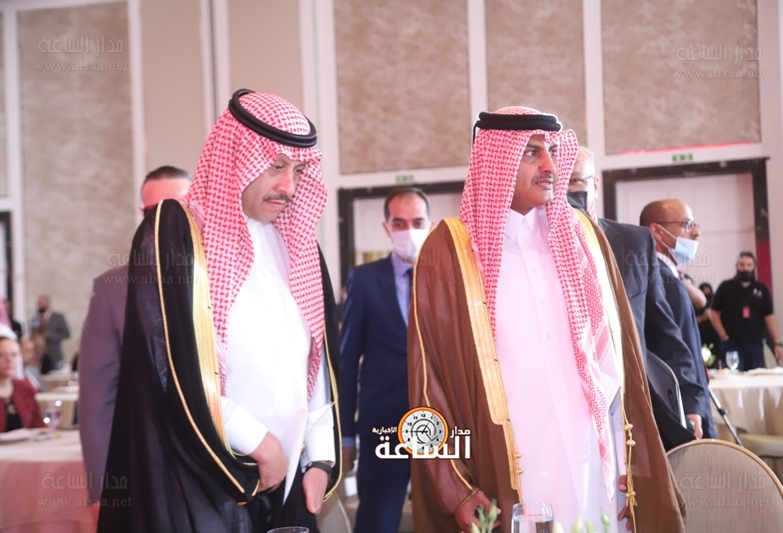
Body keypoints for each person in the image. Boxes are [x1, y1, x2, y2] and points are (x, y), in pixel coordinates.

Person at [408, 108, 684, 532]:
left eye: (552, 151)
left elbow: (619, 365)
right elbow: (429, 385)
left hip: (595, 466)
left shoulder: (584, 238)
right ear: (496, 160)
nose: (551, 167)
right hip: (508, 470)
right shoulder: (449, 251)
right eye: (532, 153)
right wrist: (455, 488)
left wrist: (632, 459)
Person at [98, 90, 342, 533]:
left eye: (299, 170)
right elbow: (167, 364)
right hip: (203, 483)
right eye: (276, 167)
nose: (289, 187)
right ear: (237, 158)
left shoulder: (300, 244)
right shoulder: (176, 235)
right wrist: (259, 442)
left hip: (291, 481)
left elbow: (315, 362)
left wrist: (321, 458)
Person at [567, 147, 705, 442]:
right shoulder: (540, 250)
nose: (568, 193)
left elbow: (663, 331)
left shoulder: (633, 242)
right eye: (561, 183)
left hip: (632, 404)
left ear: (595, 185)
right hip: (571, 407)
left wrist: (690, 401)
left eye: (576, 181)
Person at [79, 165, 193, 503]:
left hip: (235, 468)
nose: (165, 221)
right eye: (153, 212)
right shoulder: (113, 291)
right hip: (151, 475)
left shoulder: (233, 277)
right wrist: (103, 491)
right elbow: (97, 399)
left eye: (178, 208)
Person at [340, 186, 433, 533]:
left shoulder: (449, 277)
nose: (409, 230)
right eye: (399, 223)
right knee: (377, 520)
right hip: (382, 426)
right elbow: (347, 361)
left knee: (441, 520)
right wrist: (346, 436)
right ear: (386, 228)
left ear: (430, 224)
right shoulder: (364, 279)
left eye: (417, 222)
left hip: (439, 422)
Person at [640, 200, 716, 438]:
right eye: (686, 224)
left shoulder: (668, 276)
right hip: (682, 404)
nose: (696, 232)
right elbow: (673, 348)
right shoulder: (661, 280)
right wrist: (692, 403)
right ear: (656, 230)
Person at [710, 251, 783, 370]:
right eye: (742, 265)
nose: (745, 268)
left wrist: (777, 343)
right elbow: (713, 312)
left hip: (755, 344)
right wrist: (723, 335)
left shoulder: (762, 289)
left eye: (749, 265)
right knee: (733, 377)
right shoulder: (725, 287)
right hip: (731, 343)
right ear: (737, 266)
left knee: (756, 377)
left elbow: (769, 316)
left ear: (754, 266)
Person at [0, 336, 44, 432]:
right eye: (2, 355)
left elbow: (38, 425)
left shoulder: (25, 387)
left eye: (14, 355)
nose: (9, 360)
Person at [29, 295, 70, 370]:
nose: (39, 306)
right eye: (38, 304)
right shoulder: (34, 319)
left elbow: (66, 333)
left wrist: (51, 335)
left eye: (41, 303)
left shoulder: (58, 317)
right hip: (39, 354)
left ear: (47, 304)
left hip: (53, 352)